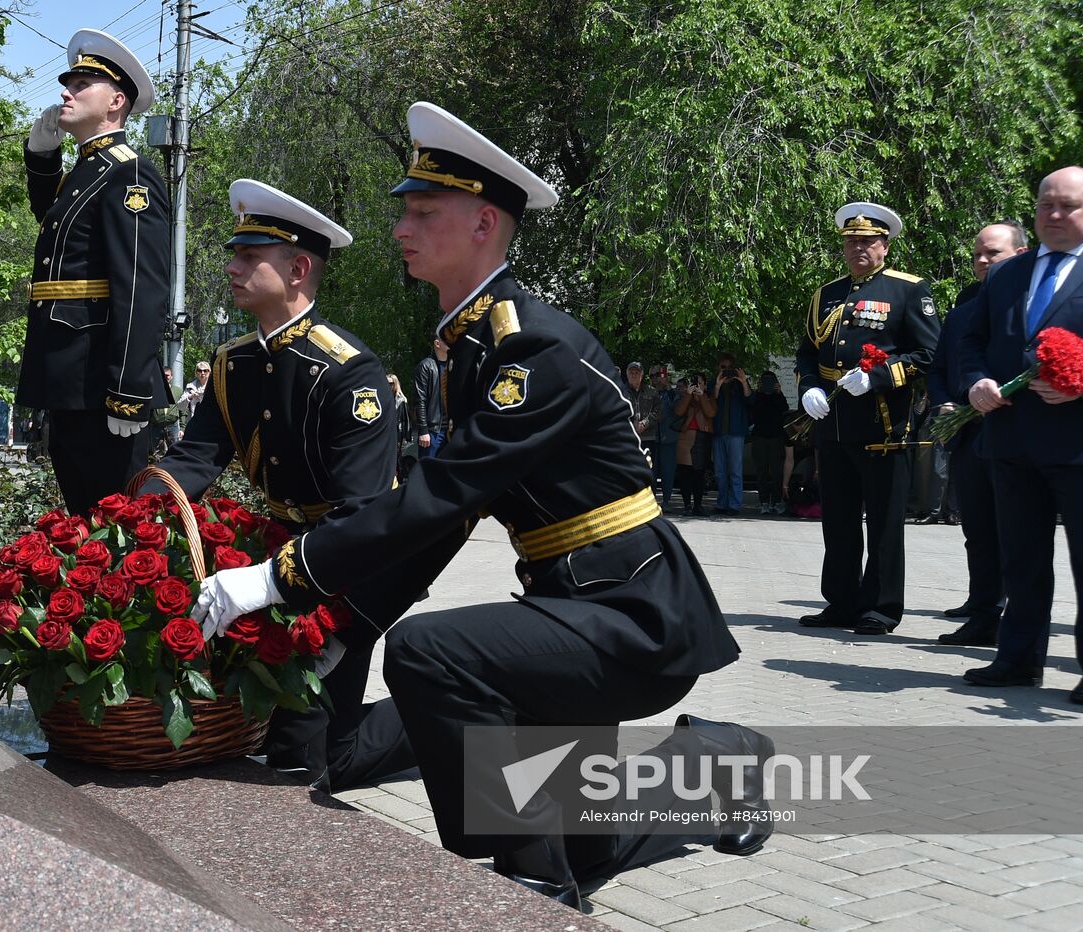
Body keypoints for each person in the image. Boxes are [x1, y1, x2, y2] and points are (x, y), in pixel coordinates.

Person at [188, 102, 769, 909]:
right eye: (405, 212)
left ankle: (531, 886)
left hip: (634, 615)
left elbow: (439, 496)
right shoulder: (472, 346)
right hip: (577, 603)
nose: (401, 228)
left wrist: (282, 577)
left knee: (434, 656)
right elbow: (444, 524)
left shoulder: (531, 348)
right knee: (590, 834)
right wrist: (344, 620)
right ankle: (714, 771)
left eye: (424, 213)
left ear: (484, 223)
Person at [145, 179, 447, 789]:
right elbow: (195, 461)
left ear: (299, 268)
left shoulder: (347, 372)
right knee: (289, 748)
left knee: (318, 756)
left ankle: (463, 724)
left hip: (347, 570)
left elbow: (361, 516)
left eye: (248, 257)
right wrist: (124, 522)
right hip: (278, 557)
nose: (231, 266)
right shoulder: (234, 363)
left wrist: (277, 582)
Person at [958, 167, 1083, 703]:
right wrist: (974, 381)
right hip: (1012, 440)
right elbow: (971, 340)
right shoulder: (1007, 275)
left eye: (1067, 206)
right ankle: (1018, 659)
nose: (1053, 215)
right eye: (1045, 204)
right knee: (1020, 558)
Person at [15, 29, 170, 515]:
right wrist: (41, 156)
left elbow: (142, 288)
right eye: (68, 83)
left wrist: (127, 390)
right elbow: (54, 221)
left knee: (116, 532)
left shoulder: (131, 173)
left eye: (81, 84)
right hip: (69, 378)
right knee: (85, 527)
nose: (66, 91)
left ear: (116, 102)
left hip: (102, 383)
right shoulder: (88, 170)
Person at [796, 202, 940, 635]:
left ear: (885, 246)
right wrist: (808, 389)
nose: (858, 247)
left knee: (882, 521)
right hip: (833, 421)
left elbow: (929, 355)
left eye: (868, 241)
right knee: (837, 520)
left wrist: (879, 376)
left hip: (882, 425)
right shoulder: (826, 293)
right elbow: (807, 352)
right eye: (851, 241)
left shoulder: (909, 290)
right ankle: (841, 601)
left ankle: (881, 606)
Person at [926, 222, 1026, 646]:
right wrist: (947, 402)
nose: (982, 262)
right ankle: (982, 612)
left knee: (1018, 534)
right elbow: (940, 367)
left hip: (1017, 437)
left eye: (993, 254)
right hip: (968, 436)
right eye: (977, 255)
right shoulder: (964, 309)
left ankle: (1017, 619)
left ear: (1020, 255)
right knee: (978, 530)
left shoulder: (1033, 305)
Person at [710, 353, 752, 514]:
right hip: (718, 432)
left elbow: (750, 400)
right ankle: (722, 503)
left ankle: (735, 505)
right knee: (719, 471)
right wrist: (718, 386)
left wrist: (742, 381)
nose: (726, 371)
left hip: (736, 433)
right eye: (723, 367)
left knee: (735, 470)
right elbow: (710, 402)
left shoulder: (740, 384)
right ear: (718, 368)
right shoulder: (714, 383)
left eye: (729, 368)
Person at [674, 373, 716, 516]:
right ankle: (687, 505)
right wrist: (688, 395)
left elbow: (710, 413)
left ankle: (698, 506)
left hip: (702, 437)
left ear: (704, 384)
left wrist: (702, 396)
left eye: (699, 383)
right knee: (685, 473)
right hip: (686, 438)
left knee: (699, 473)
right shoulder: (686, 398)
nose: (697, 386)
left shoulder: (710, 398)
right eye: (694, 383)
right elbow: (679, 412)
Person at [750, 371, 790, 514]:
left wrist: (779, 393)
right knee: (762, 471)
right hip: (760, 436)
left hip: (776, 437)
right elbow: (753, 412)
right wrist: (759, 392)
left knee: (777, 471)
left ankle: (777, 501)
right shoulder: (758, 396)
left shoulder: (778, 397)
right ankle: (764, 502)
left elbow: (785, 410)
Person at [413, 337, 451, 457]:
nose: (451, 341)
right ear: (437, 343)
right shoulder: (425, 366)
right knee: (428, 472)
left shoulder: (454, 364)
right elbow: (420, 401)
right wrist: (423, 431)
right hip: (433, 431)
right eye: (446, 339)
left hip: (452, 429)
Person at [623, 361, 660, 470]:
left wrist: (645, 423)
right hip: (627, 438)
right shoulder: (620, 391)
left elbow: (658, 411)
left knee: (647, 470)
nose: (634, 375)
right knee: (628, 470)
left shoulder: (652, 392)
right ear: (626, 373)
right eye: (631, 372)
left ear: (642, 374)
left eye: (637, 372)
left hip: (647, 438)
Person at [650, 366, 678, 502]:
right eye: (652, 376)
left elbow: (677, 409)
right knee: (651, 472)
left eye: (658, 375)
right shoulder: (647, 393)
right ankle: (651, 501)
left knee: (668, 472)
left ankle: (666, 501)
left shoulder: (672, 392)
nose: (655, 378)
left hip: (669, 438)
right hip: (652, 438)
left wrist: (667, 386)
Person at [388, 372, 417, 481]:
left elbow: (405, 420)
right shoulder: (384, 397)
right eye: (387, 383)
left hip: (397, 434)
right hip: (388, 433)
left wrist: (406, 436)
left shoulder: (401, 400)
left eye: (391, 383)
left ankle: (398, 480)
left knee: (396, 458)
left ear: (395, 384)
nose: (389, 385)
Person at [149, 366, 182, 455]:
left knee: (174, 451)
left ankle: (173, 468)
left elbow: (183, 409)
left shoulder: (178, 391)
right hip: (156, 426)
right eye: (163, 375)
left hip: (172, 426)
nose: (165, 377)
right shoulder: (153, 390)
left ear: (171, 377)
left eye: (167, 375)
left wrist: (182, 428)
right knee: (156, 452)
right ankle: (157, 468)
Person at [177, 361, 210, 426]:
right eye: (199, 370)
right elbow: (180, 406)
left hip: (210, 423)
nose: (202, 373)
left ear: (209, 372)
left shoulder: (214, 386)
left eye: (205, 370)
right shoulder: (190, 387)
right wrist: (190, 397)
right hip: (195, 423)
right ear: (196, 373)